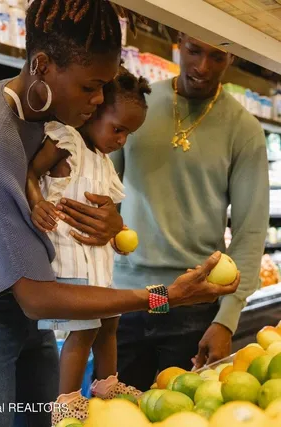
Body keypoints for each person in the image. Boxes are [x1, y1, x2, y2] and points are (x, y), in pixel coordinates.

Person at [0, 1, 240, 426]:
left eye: (106, 87)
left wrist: (112, 224)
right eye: (92, 86)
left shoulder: (59, 111)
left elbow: (89, 197)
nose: (99, 100)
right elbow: (38, 298)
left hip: (29, 302)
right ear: (42, 64)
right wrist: (166, 296)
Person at [111, 34, 269, 391]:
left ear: (232, 58)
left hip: (192, 306)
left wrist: (226, 320)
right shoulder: (140, 104)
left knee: (182, 413)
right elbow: (104, 192)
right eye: (194, 51)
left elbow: (250, 232)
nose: (202, 67)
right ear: (178, 43)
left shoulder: (244, 130)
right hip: (128, 299)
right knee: (113, 412)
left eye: (217, 56)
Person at [25, 66, 151, 424]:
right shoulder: (68, 142)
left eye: (129, 133)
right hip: (69, 258)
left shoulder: (104, 163)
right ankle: (67, 399)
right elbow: (31, 174)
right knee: (84, 329)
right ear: (94, 110)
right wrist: (37, 203)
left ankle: (107, 382)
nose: (122, 140)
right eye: (118, 129)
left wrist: (119, 234)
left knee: (110, 320)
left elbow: (111, 217)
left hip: (98, 263)